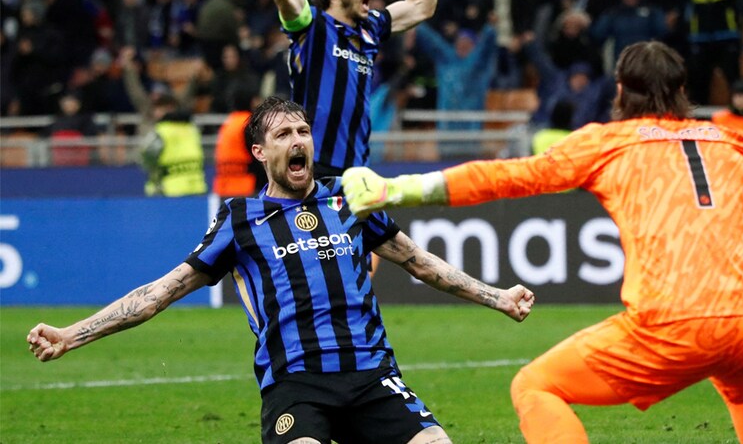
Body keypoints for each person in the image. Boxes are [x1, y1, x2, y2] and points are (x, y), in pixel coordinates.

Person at [340, 40, 743, 444]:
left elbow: (506, 176)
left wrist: (396, 188)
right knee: (742, 382)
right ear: (683, 91)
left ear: (621, 90)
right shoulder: (731, 140)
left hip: (672, 324)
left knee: (535, 385)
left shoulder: (609, 140)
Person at [27, 96, 535, 444]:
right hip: (296, 384)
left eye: (303, 131)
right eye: (283, 134)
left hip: (371, 375)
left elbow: (421, 263)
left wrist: (498, 297)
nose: (298, 141)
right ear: (260, 152)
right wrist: (72, 334)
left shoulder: (350, 198)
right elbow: (160, 292)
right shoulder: (239, 219)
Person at [272, 0, 437, 177]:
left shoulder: (370, 28)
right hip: (310, 171)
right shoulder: (311, 24)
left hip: (356, 173)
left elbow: (422, 5)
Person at [139, 92, 208, 197]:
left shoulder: (161, 131)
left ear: (169, 108)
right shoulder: (192, 129)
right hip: (197, 188)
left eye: (158, 109)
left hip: (169, 191)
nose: (155, 113)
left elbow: (146, 158)